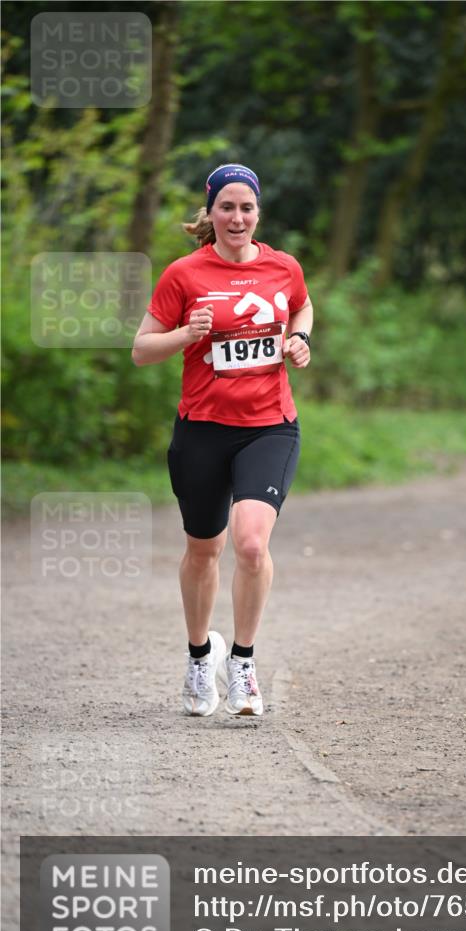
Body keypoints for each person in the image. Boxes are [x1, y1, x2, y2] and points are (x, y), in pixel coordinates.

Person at [132, 163, 313, 718]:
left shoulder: (284, 267)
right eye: (227, 207)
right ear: (210, 213)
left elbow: (302, 303)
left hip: (269, 426)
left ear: (258, 213)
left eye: (247, 208)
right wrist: (187, 334)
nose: (238, 217)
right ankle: (196, 657)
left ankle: (242, 663)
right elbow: (142, 349)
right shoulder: (184, 275)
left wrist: (300, 337)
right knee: (203, 550)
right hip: (203, 430)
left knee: (252, 545)